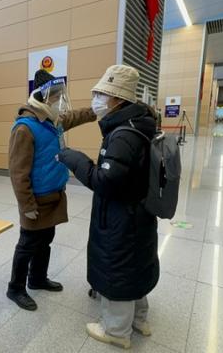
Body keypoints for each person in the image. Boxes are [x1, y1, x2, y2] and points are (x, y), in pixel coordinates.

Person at [58, 65, 159, 349]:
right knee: (137, 263)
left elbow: (105, 180)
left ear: (117, 99)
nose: (96, 99)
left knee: (120, 267)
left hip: (121, 215)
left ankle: (116, 331)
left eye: (101, 93)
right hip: (139, 212)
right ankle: (139, 319)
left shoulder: (123, 134)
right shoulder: (140, 123)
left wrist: (74, 159)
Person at [6, 69, 97, 311]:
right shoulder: (25, 129)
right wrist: (26, 206)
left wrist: (97, 110)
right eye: (55, 98)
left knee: (45, 240)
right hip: (35, 200)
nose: (59, 102)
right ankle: (15, 288)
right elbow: (18, 173)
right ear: (43, 98)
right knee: (27, 244)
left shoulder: (52, 121)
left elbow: (75, 116)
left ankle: (36, 279)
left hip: (54, 196)